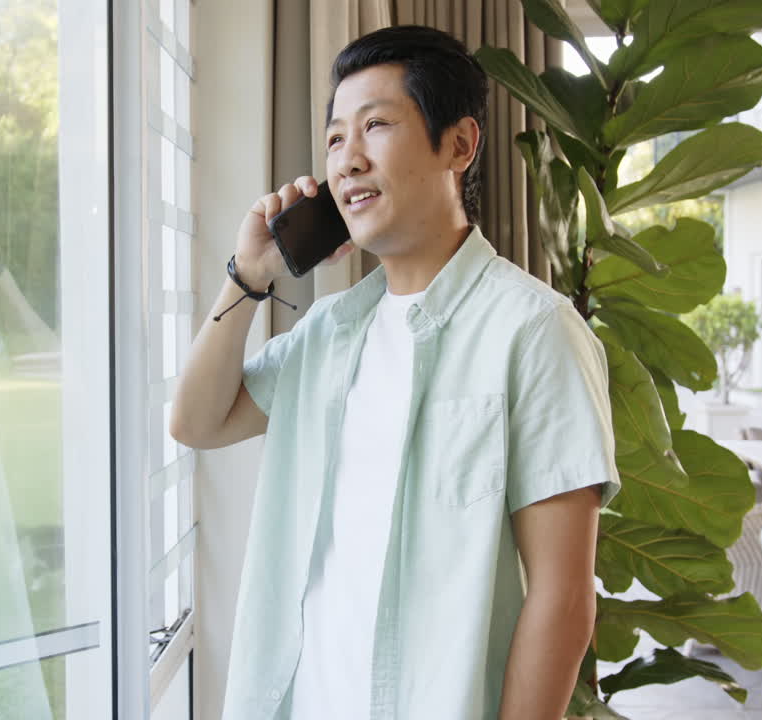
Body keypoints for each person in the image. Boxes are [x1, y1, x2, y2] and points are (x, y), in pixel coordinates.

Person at [169, 25, 621, 720]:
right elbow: (196, 421)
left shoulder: (533, 332)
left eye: (376, 126)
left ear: (459, 144)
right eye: (334, 140)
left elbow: (563, 600)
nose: (347, 161)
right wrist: (248, 277)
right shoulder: (327, 332)